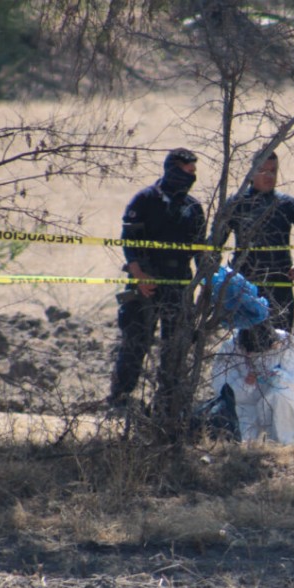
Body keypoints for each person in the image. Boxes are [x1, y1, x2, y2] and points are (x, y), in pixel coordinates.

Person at [108, 148, 206, 408]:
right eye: (187, 171)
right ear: (172, 170)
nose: (191, 177)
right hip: (145, 282)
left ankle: (168, 402)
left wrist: (207, 283)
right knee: (135, 340)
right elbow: (129, 240)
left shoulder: (193, 207)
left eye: (193, 172)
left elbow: (201, 250)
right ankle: (120, 399)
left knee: (175, 345)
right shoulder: (145, 200)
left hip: (179, 282)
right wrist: (139, 275)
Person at [215, 151, 294, 331]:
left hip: (280, 288)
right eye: (263, 170)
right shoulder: (237, 203)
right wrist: (216, 278)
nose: (269, 176)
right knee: (244, 343)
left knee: (281, 340)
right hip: (245, 288)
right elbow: (214, 243)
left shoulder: (286, 204)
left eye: (273, 170)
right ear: (252, 172)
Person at [210, 322, 294, 444]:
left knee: (280, 396)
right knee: (243, 442)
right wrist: (245, 384)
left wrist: (277, 377)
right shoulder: (229, 348)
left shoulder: (287, 343)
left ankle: (284, 443)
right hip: (245, 405)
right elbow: (222, 389)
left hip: (278, 400)